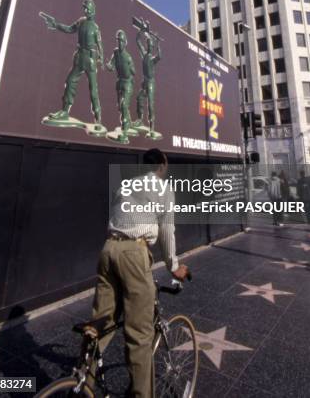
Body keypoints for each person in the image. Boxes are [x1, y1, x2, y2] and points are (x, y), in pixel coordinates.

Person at [91, 148, 189, 398]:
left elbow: (117, 215)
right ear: (163, 165)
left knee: (101, 323)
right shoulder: (163, 188)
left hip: (107, 250)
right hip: (133, 255)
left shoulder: (125, 184)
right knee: (139, 335)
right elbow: (167, 229)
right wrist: (174, 266)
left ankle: (83, 379)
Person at [40, 0, 104, 123]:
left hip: (90, 59)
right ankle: (64, 111)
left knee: (93, 89)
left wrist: (101, 58)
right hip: (80, 57)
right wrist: (56, 24)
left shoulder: (95, 28)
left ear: (93, 10)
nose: (86, 10)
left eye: (88, 8)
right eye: (85, 8)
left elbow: (100, 44)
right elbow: (70, 29)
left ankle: (98, 117)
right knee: (70, 81)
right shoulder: (80, 22)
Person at [106, 29, 135, 143]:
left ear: (125, 42)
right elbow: (112, 66)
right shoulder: (115, 53)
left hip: (127, 83)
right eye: (118, 41)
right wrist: (109, 66)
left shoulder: (128, 57)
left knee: (123, 106)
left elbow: (133, 71)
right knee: (120, 107)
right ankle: (129, 122)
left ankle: (124, 133)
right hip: (119, 82)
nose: (120, 43)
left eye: (122, 41)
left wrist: (130, 68)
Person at [135, 28, 161, 137]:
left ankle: (152, 126)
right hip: (145, 81)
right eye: (148, 45)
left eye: (151, 46)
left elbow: (160, 56)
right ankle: (140, 119)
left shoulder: (153, 58)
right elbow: (137, 41)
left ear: (152, 47)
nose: (149, 46)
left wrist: (158, 44)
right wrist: (141, 30)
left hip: (150, 83)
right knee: (140, 98)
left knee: (150, 103)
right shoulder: (144, 54)